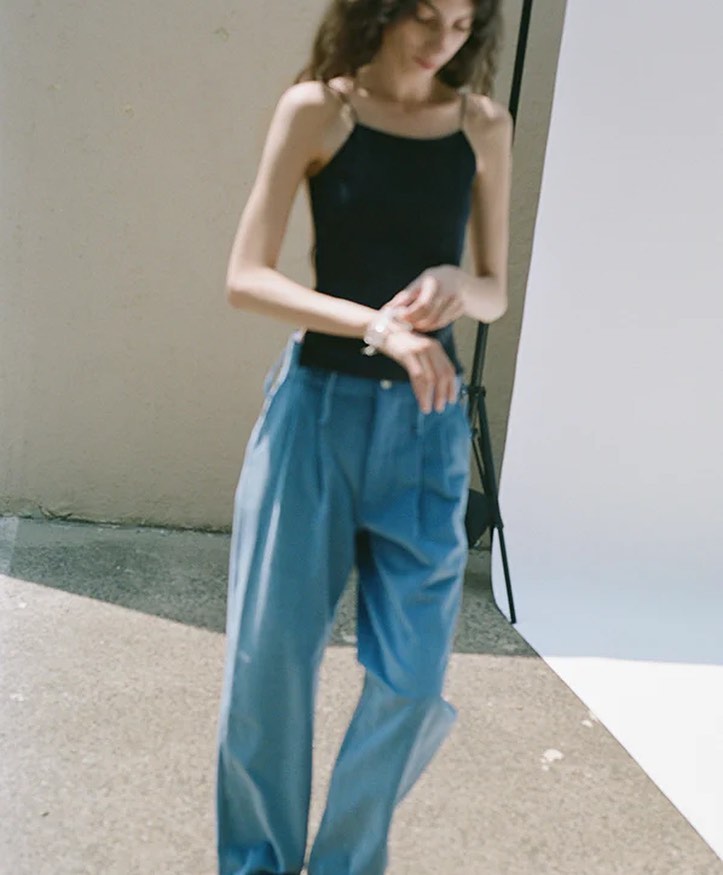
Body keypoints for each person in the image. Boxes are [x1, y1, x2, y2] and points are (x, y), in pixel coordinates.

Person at [215, 0, 511, 872]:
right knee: (267, 672)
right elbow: (245, 277)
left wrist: (456, 279)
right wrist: (373, 325)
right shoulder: (319, 109)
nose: (440, 41)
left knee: (413, 681)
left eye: (460, 24)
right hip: (315, 415)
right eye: (423, 16)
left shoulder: (481, 125)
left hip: (426, 427)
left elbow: (493, 290)